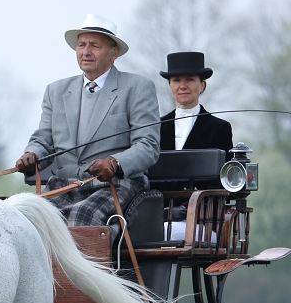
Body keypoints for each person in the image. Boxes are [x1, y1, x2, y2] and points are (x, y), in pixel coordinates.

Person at [16, 14, 160, 230]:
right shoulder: (55, 91)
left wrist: (114, 163)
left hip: (114, 184)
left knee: (81, 219)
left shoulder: (138, 88)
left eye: (95, 45)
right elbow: (43, 140)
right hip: (63, 186)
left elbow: (148, 146)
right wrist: (33, 155)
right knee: (23, 219)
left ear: (114, 53)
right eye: (81, 45)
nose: (86, 51)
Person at [159, 51, 232, 154]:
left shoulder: (219, 128)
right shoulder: (157, 127)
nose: (183, 86)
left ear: (202, 85)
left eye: (190, 79)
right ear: (170, 87)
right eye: (176, 80)